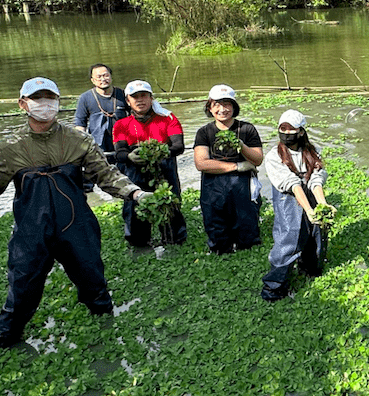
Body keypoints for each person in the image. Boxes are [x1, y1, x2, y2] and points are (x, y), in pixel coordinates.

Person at [0, 77, 149, 348]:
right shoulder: (8, 148)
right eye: (38, 99)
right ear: (23, 104)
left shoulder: (78, 139)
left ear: (59, 103)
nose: (44, 105)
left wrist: (136, 193)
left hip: (77, 226)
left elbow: (106, 175)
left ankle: (106, 328)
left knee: (93, 279)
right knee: (22, 286)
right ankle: (6, 341)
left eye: (50, 98)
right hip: (31, 231)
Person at [261, 110, 336, 301]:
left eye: (291, 128)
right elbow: (293, 184)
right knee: (290, 237)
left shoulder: (312, 151)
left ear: (301, 131)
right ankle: (274, 287)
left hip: (310, 194)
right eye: (282, 128)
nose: (286, 132)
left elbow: (316, 179)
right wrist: (309, 210)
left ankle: (310, 269)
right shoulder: (273, 156)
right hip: (289, 199)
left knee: (316, 233)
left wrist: (322, 205)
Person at [112, 80, 187, 246]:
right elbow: (120, 152)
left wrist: (162, 152)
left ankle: (174, 241)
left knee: (169, 203)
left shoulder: (167, 118)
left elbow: (178, 146)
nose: (140, 100)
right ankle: (139, 242)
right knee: (134, 207)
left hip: (164, 169)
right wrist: (130, 156)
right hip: (135, 171)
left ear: (151, 98)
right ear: (128, 101)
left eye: (144, 96)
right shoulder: (121, 124)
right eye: (135, 97)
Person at [193, 85, 264, 254]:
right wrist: (237, 166)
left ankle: (247, 249)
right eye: (216, 104)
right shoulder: (204, 132)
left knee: (246, 224)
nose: (222, 109)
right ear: (210, 108)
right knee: (216, 222)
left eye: (227, 104)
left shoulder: (246, 129)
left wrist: (242, 146)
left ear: (234, 106)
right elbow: (201, 163)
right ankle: (221, 251)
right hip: (213, 183)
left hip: (242, 184)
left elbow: (258, 159)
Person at [73, 64, 129, 160]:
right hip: (98, 144)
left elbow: (136, 115)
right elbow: (80, 124)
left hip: (123, 142)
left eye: (106, 75)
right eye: (99, 77)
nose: (103, 79)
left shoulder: (122, 94)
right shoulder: (85, 98)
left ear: (111, 76)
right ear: (93, 80)